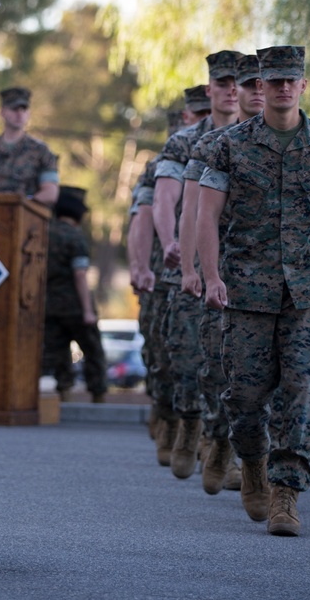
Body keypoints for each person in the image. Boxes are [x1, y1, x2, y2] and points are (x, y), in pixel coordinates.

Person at [197, 46, 310, 537]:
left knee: (303, 392)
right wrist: (211, 276)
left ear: (304, 86)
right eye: (275, 80)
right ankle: (252, 462)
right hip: (246, 290)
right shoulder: (228, 146)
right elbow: (206, 215)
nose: (285, 87)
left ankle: (286, 492)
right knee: (244, 396)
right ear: (259, 88)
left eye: (293, 80)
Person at [179, 52, 264, 493]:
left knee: (273, 378)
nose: (244, 91)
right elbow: (193, 210)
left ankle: (256, 466)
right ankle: (218, 443)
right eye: (238, 84)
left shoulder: (303, 141)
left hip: (280, 279)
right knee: (222, 367)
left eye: (252, 83)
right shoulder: (211, 145)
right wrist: (195, 269)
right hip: (226, 272)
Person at [152, 51, 239, 478]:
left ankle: (230, 448)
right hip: (187, 266)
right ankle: (188, 424)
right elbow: (168, 197)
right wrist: (171, 243)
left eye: (236, 82)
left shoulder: (256, 138)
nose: (229, 90)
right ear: (210, 89)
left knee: (239, 366)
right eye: (221, 82)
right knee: (187, 359)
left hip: (242, 269)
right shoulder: (187, 141)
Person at [128, 86, 209, 457]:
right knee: (166, 353)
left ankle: (213, 440)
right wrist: (140, 266)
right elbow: (143, 217)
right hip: (169, 270)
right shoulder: (163, 162)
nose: (198, 117)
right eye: (195, 112)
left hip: (216, 266)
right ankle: (167, 413)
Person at [42, 187, 107, 403]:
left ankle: (64, 393)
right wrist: (88, 310)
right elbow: (80, 275)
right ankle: (98, 395)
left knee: (58, 351)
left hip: (49, 306)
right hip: (75, 306)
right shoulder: (75, 237)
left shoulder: (44, 233)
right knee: (92, 349)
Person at [0, 86, 60, 205]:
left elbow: (50, 193)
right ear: (2, 112)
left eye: (24, 109)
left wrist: (23, 202)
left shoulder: (41, 152)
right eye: (14, 109)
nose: (19, 114)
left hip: (23, 218)